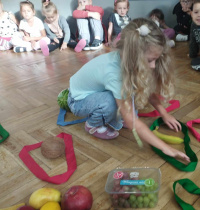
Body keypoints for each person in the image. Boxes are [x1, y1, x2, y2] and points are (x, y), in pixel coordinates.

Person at [67, 18, 190, 163]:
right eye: (150, 60)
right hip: (78, 100)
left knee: (133, 91)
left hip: (96, 92)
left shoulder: (128, 61)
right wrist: (165, 148)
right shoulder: (114, 74)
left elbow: (148, 91)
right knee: (111, 103)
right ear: (133, 57)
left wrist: (164, 113)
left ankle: (111, 117)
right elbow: (132, 121)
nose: (153, 66)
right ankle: (93, 124)